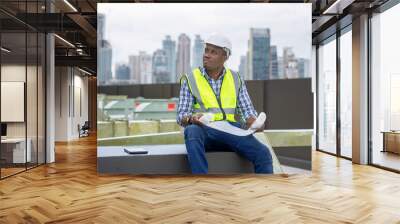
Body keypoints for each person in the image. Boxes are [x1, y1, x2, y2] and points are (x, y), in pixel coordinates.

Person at [177, 33, 273, 174]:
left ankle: (264, 192)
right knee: (191, 131)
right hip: (205, 131)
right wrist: (191, 118)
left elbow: (247, 110)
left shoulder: (235, 78)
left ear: (225, 57)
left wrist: (253, 121)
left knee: (263, 153)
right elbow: (181, 115)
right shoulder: (190, 79)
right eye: (206, 50)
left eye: (213, 52)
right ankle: (201, 185)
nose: (206, 55)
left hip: (231, 131)